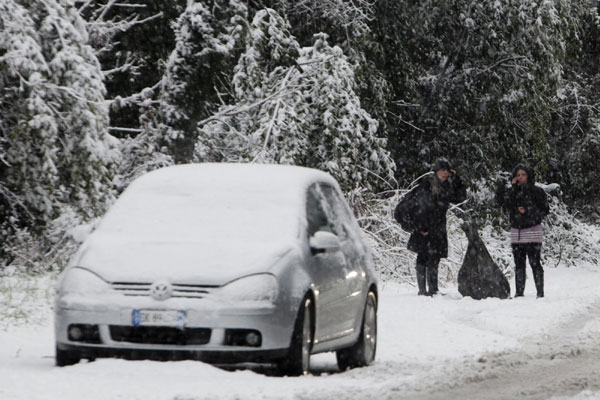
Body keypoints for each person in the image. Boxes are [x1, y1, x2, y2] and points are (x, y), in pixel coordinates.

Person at [397, 158, 467, 296]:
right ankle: (423, 290)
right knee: (423, 256)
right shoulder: (426, 185)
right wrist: (419, 227)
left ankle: (432, 289)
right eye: (442, 171)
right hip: (424, 226)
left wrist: (457, 178)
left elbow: (460, 197)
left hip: (437, 227)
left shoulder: (447, 187)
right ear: (436, 172)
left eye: (447, 171)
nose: (445, 174)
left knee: (434, 258)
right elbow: (419, 207)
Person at [502, 163, 549, 298]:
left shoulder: (537, 191)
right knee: (519, 263)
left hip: (533, 229)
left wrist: (528, 211)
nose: (521, 177)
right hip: (517, 231)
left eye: (523, 175)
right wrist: (512, 187)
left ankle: (540, 292)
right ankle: (519, 292)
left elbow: (545, 210)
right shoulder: (512, 192)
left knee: (535, 262)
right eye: (518, 175)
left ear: (529, 176)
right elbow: (505, 204)